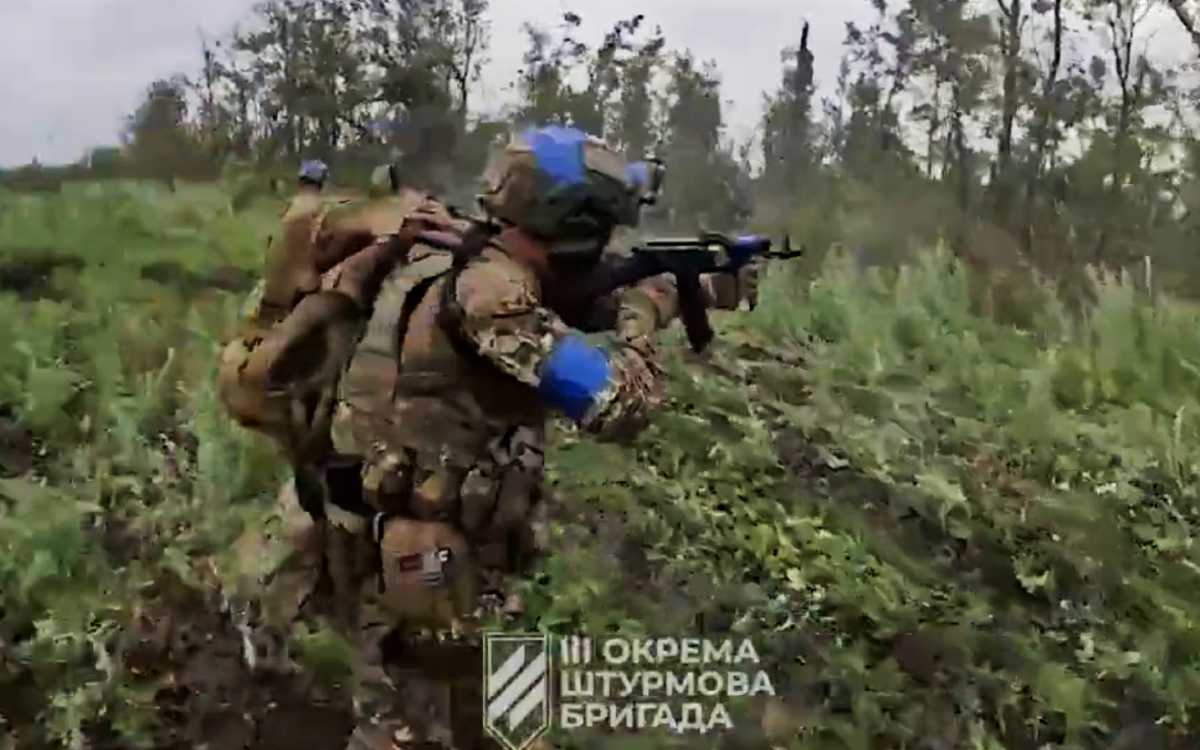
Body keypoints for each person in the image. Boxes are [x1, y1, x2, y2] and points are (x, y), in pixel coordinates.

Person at [223, 127, 748, 750]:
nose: (611, 243)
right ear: (572, 225)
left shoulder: (452, 251)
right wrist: (643, 314)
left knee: (497, 720)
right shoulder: (492, 297)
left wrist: (702, 282)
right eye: (605, 228)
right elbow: (619, 406)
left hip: (417, 538)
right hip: (432, 569)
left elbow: (574, 301)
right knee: (421, 730)